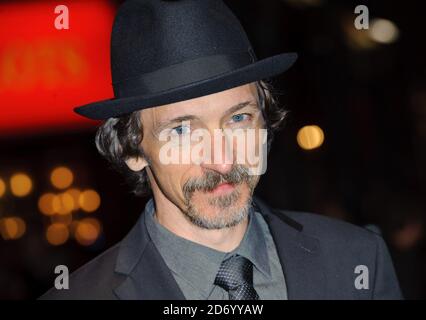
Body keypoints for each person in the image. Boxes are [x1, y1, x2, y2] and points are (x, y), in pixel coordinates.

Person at [41, 0, 402, 300]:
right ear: (131, 147)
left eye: (239, 118)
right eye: (182, 130)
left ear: (266, 121)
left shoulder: (357, 260)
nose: (222, 159)